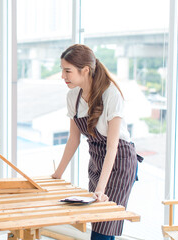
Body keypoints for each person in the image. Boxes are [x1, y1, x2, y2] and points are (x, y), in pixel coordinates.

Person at [52, 44, 142, 239]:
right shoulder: (72, 96)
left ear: (85, 70)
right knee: (96, 220)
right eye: (62, 70)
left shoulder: (111, 94)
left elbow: (113, 147)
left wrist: (101, 188)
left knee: (104, 227)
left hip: (119, 161)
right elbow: (73, 140)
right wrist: (56, 175)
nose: (63, 76)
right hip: (96, 160)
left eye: (67, 71)